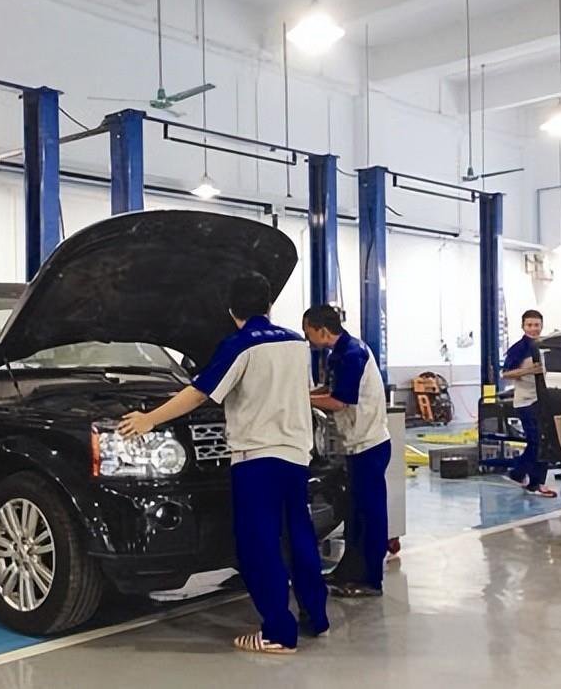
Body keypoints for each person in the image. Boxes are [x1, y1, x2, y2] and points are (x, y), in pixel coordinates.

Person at [119, 272, 328, 655]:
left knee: (260, 546)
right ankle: (316, 617)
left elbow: (199, 394)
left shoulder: (240, 344)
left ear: (232, 311)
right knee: (299, 536)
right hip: (297, 455)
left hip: (256, 460)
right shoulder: (297, 344)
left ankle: (278, 634)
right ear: (269, 305)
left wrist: (149, 419)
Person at [302, 305, 391, 599]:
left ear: (322, 330)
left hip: (369, 446)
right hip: (356, 445)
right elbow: (328, 391)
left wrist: (301, 400)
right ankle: (349, 571)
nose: (307, 338)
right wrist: (300, 393)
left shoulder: (352, 354)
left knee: (369, 515)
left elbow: (339, 401)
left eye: (308, 332)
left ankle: (371, 580)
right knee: (354, 514)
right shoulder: (340, 353)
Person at [502, 309, 557, 498]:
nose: (533, 328)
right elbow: (506, 373)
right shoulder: (519, 349)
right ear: (523, 326)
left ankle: (532, 480)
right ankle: (523, 476)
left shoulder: (545, 347)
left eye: (537, 325)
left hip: (543, 401)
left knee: (544, 442)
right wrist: (529, 371)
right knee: (536, 442)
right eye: (530, 325)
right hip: (526, 402)